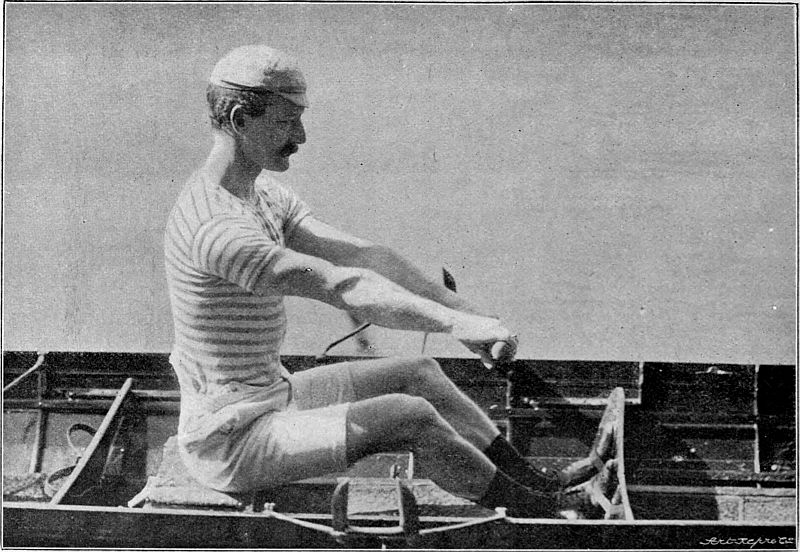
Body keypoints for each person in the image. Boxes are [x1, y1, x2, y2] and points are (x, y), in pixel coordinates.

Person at [164, 44, 612, 519]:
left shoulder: (261, 194)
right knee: (409, 416)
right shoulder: (217, 229)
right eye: (286, 123)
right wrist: (455, 326)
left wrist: (468, 315)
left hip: (274, 396)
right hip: (230, 441)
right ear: (239, 120)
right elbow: (343, 286)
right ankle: (545, 513)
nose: (301, 137)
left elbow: (363, 255)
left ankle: (538, 484)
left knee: (418, 374)